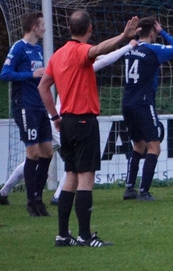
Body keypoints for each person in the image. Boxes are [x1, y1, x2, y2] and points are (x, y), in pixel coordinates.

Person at [39, 10, 140, 247]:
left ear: (69, 29)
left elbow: (43, 87)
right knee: (86, 178)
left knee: (71, 177)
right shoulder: (81, 51)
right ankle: (85, 236)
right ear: (90, 29)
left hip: (66, 122)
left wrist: (55, 116)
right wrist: (123, 37)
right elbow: (98, 50)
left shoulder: (58, 55)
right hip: (84, 121)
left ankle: (63, 235)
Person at [1, 40, 136, 207]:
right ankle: (59, 196)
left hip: (55, 118)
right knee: (75, 160)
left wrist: (120, 46)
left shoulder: (62, 64)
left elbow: (101, 56)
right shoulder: (79, 69)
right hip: (66, 120)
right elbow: (106, 60)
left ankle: (4, 191)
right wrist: (128, 46)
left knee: (36, 157)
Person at [121, 17, 173, 201]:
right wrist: (162, 31)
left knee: (138, 145)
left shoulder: (129, 48)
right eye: (155, 33)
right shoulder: (153, 49)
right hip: (143, 102)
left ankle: (129, 189)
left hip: (127, 102)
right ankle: (144, 191)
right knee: (154, 147)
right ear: (152, 33)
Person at [1, 11, 55, 216]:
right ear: (34, 27)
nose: (44, 29)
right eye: (42, 25)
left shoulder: (38, 50)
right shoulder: (19, 48)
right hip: (25, 106)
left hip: (39, 106)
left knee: (47, 152)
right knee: (32, 153)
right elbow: (5, 74)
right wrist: (30, 74)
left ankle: (38, 198)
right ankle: (31, 202)